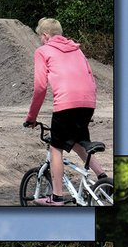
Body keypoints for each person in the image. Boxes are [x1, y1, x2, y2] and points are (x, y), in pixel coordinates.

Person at [23, 17, 106, 205]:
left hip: (66, 104)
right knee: (78, 142)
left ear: (45, 35)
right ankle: (103, 179)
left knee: (56, 147)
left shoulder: (43, 51)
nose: (40, 41)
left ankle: (57, 196)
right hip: (88, 103)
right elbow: (91, 78)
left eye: (40, 37)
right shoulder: (77, 50)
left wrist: (31, 118)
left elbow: (40, 88)